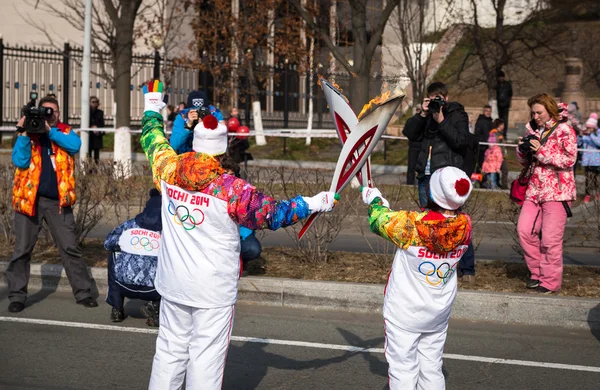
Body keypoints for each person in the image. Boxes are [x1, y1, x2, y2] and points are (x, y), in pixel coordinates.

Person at [140, 80, 338, 389]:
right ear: (222, 149)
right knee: (205, 358)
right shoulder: (232, 189)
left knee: (169, 350)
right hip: (212, 290)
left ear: (195, 144)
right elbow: (274, 214)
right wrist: (313, 203)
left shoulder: (169, 168)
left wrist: (152, 106)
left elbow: (151, 137)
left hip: (173, 282)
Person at [362, 167, 472, 390]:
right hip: (438, 313)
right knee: (431, 366)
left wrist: (374, 199)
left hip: (405, 313)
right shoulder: (466, 226)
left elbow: (378, 219)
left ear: (432, 194)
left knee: (403, 368)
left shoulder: (411, 226)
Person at [7, 95, 97, 313]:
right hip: (30, 201)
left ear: (58, 113)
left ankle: (84, 293)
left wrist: (50, 131)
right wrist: (23, 134)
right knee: (22, 250)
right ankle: (17, 296)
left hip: (59, 202)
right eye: (45, 111)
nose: (50, 114)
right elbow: (19, 161)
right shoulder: (30, 133)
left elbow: (75, 146)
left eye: (53, 111)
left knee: (70, 248)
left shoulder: (64, 131)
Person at [403, 82, 476, 283]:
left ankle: (467, 268)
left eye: (438, 98)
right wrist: (422, 114)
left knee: (455, 221)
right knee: (429, 222)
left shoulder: (457, 115)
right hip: (425, 176)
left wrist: (441, 120)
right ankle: (434, 264)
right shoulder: (426, 116)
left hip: (445, 178)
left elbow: (460, 141)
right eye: (431, 97)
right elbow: (409, 133)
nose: (435, 101)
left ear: (446, 97)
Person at [517, 94, 577, 294]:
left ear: (550, 110)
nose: (535, 116)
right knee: (524, 231)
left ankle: (550, 281)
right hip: (534, 190)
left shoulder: (564, 130)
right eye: (533, 112)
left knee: (550, 240)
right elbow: (526, 162)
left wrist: (541, 150)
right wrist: (522, 150)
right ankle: (536, 273)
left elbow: (569, 160)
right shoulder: (534, 130)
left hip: (557, 192)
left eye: (539, 112)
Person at [104, 189, 162, 326]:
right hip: (154, 290)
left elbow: (107, 244)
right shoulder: (168, 230)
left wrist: (124, 244)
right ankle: (155, 309)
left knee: (113, 255)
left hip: (123, 285)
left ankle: (117, 309)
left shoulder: (130, 224)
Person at [578, 113, 600, 203]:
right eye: (588, 127)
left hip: (595, 160)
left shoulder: (597, 133)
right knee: (587, 177)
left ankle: (597, 193)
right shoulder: (585, 134)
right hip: (586, 160)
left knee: (595, 178)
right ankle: (587, 194)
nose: (588, 129)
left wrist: (591, 135)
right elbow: (579, 144)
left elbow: (598, 143)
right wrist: (580, 136)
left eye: (590, 127)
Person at [475, 105, 493, 173]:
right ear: (483, 111)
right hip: (482, 147)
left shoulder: (491, 121)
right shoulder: (480, 121)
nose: (488, 113)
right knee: (480, 163)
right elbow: (477, 134)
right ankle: (478, 179)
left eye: (489, 111)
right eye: (486, 111)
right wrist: (486, 141)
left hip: (490, 147)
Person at [88, 96, 105, 164]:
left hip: (97, 136)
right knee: (88, 153)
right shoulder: (86, 112)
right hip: (89, 136)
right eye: (93, 102)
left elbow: (102, 123)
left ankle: (96, 169)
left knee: (96, 154)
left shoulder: (100, 112)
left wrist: (98, 128)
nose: (95, 104)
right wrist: (91, 127)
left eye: (96, 102)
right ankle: (88, 168)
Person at [496, 70, 512, 137]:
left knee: (505, 120)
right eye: (500, 77)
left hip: (506, 105)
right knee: (500, 119)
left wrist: (507, 102)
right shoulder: (498, 85)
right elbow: (497, 94)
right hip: (499, 105)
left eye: (502, 77)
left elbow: (510, 94)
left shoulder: (507, 85)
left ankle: (504, 133)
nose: (501, 78)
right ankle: (500, 132)